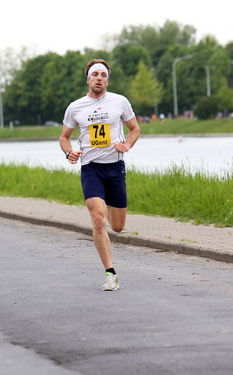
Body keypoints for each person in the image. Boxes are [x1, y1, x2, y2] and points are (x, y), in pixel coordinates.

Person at [59, 59, 140, 291]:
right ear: (88, 79)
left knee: (118, 227)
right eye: (95, 75)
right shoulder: (76, 107)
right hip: (91, 168)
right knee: (97, 219)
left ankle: (109, 214)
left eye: (103, 75)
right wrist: (69, 153)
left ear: (107, 80)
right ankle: (110, 273)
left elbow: (135, 129)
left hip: (115, 168)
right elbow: (64, 137)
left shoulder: (120, 102)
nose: (99, 79)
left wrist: (128, 145)